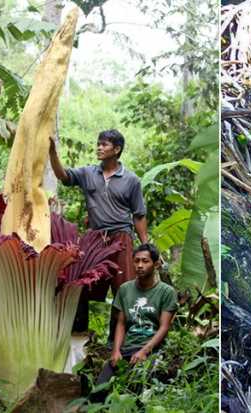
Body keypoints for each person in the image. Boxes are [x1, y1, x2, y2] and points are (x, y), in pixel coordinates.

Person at [48, 129, 148, 343]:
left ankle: (116, 343)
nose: (99, 148)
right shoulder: (88, 173)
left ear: (117, 149)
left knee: (124, 291)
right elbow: (63, 175)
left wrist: (145, 245)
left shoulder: (131, 180)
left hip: (121, 238)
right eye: (98, 144)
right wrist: (52, 153)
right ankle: (78, 337)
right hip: (95, 240)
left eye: (104, 144)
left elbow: (139, 215)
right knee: (80, 284)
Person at [94, 243, 177, 396]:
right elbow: (121, 322)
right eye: (136, 261)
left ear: (156, 264)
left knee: (134, 391)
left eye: (145, 261)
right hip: (126, 348)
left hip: (152, 350)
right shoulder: (125, 289)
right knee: (98, 392)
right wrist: (116, 351)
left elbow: (164, 327)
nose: (139, 265)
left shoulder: (166, 292)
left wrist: (144, 351)